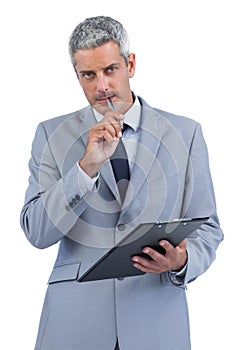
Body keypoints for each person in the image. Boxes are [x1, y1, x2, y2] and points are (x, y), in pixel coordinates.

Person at [20, 16, 223, 350]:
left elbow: (208, 227)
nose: (101, 86)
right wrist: (85, 169)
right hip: (74, 323)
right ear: (77, 76)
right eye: (89, 75)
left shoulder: (185, 134)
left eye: (110, 70)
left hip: (156, 322)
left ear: (130, 64)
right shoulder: (51, 135)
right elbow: (36, 232)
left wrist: (182, 262)